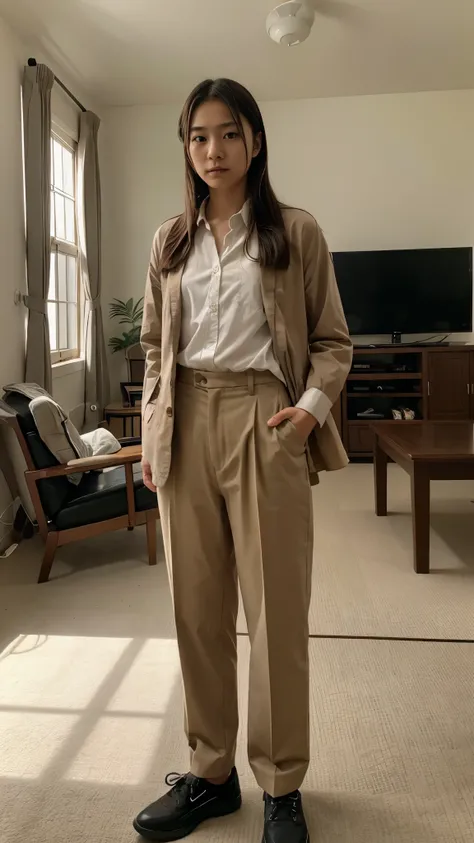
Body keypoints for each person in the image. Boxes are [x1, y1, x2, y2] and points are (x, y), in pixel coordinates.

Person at [134, 78, 352, 843]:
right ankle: (211, 773)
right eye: (198, 136)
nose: (213, 151)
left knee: (276, 615)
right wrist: (152, 432)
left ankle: (282, 785)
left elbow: (332, 340)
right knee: (195, 612)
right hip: (185, 422)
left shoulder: (295, 231)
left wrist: (309, 412)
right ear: (186, 147)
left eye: (228, 134)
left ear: (255, 140)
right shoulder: (170, 240)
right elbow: (157, 347)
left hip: (268, 421)